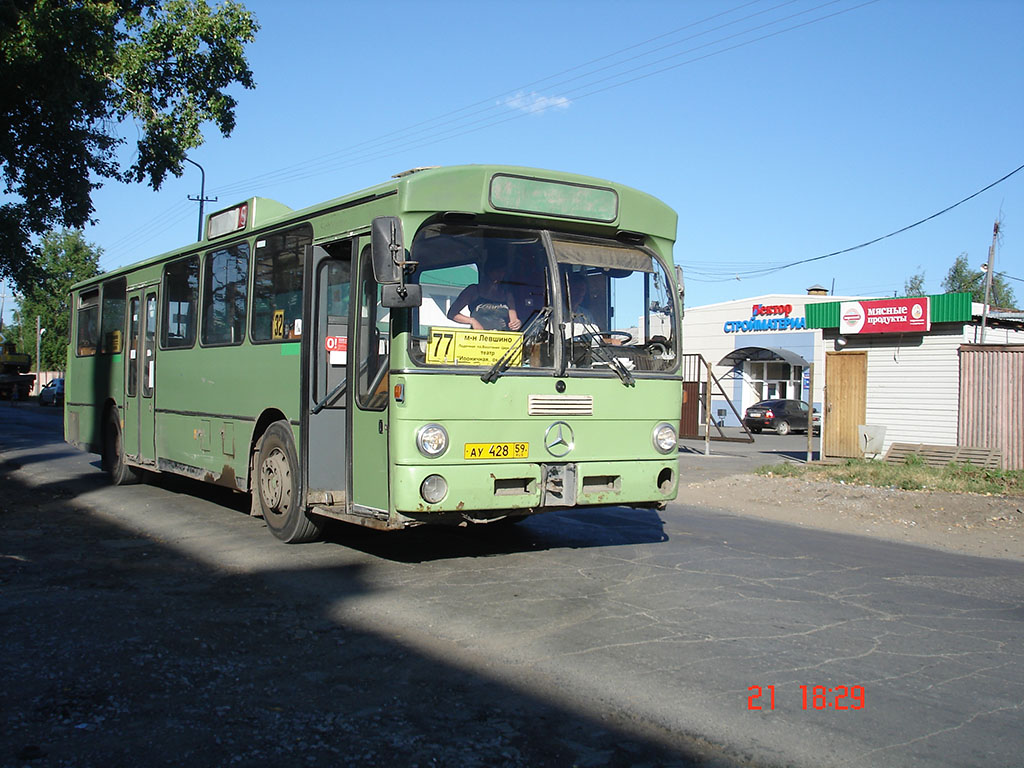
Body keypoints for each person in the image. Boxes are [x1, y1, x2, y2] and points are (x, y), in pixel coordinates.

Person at [447, 260, 521, 331]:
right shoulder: (473, 290)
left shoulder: (507, 295)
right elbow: (452, 314)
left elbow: (513, 321)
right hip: (478, 338)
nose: (500, 275)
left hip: (502, 339)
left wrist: (517, 323)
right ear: (488, 272)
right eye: (497, 271)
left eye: (503, 272)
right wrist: (472, 321)